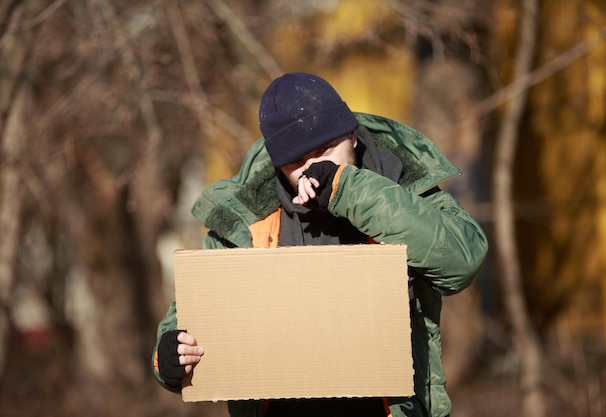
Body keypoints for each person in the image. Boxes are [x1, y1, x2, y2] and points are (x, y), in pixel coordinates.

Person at [151, 72, 488, 417]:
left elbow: (462, 262)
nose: (313, 166)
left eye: (326, 149)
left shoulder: (405, 184)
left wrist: (348, 189)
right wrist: (169, 359)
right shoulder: (245, 218)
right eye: (297, 161)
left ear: (352, 136)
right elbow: (187, 320)